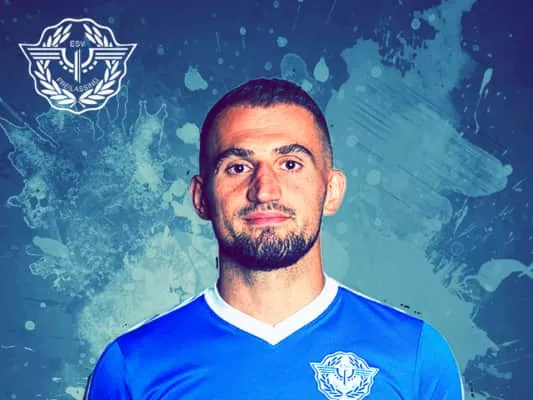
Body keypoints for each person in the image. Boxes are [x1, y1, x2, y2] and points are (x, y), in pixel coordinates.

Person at [84, 78, 464, 399]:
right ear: (201, 198)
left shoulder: (415, 354)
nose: (265, 190)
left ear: (331, 191)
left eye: (290, 164)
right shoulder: (133, 366)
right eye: (237, 167)